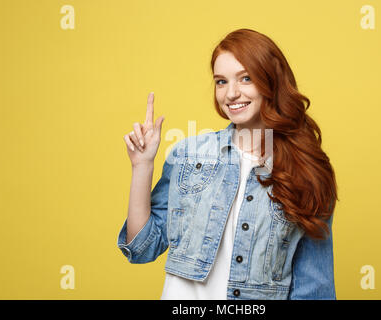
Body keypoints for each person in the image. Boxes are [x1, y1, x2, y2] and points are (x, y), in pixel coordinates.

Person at [117, 28, 339, 300]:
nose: (231, 93)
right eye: (221, 82)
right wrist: (142, 167)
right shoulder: (189, 155)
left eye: (246, 78)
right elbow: (141, 249)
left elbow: (315, 289)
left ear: (271, 82)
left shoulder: (307, 171)